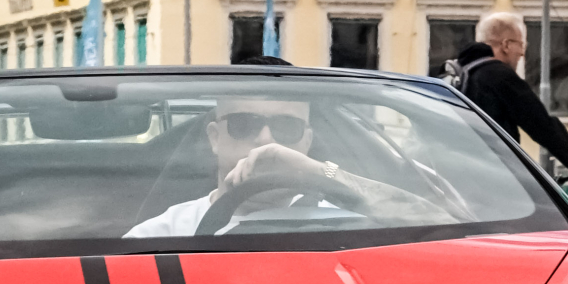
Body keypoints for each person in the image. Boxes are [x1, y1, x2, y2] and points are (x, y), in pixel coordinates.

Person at [126, 94, 457, 237]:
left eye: (287, 128)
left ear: (307, 141)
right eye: (245, 124)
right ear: (215, 137)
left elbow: (446, 229)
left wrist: (318, 172)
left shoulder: (351, 222)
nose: (266, 140)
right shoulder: (167, 233)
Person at [452, 12, 568, 185]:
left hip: (459, 176)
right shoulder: (498, 75)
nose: (522, 53)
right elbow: (540, 124)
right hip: (492, 177)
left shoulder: (460, 75)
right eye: (520, 44)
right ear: (506, 45)